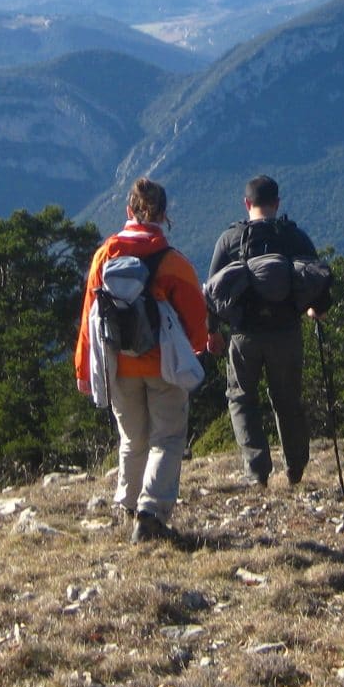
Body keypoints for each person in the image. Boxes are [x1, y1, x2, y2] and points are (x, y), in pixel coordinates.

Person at [75, 177, 211, 544]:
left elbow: (90, 317)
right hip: (163, 365)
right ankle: (151, 513)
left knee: (132, 439)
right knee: (167, 438)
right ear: (165, 215)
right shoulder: (173, 263)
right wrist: (196, 351)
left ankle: (129, 505)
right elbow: (196, 320)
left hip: (117, 365)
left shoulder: (105, 255)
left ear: (128, 211)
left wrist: (84, 369)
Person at [209, 174, 326, 488]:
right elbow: (318, 280)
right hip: (285, 332)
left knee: (241, 399)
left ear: (247, 204)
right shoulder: (294, 237)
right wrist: (315, 309)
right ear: (277, 203)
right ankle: (296, 467)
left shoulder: (230, 240)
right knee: (288, 401)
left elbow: (212, 291)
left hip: (243, 334)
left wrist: (212, 331)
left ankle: (257, 470)